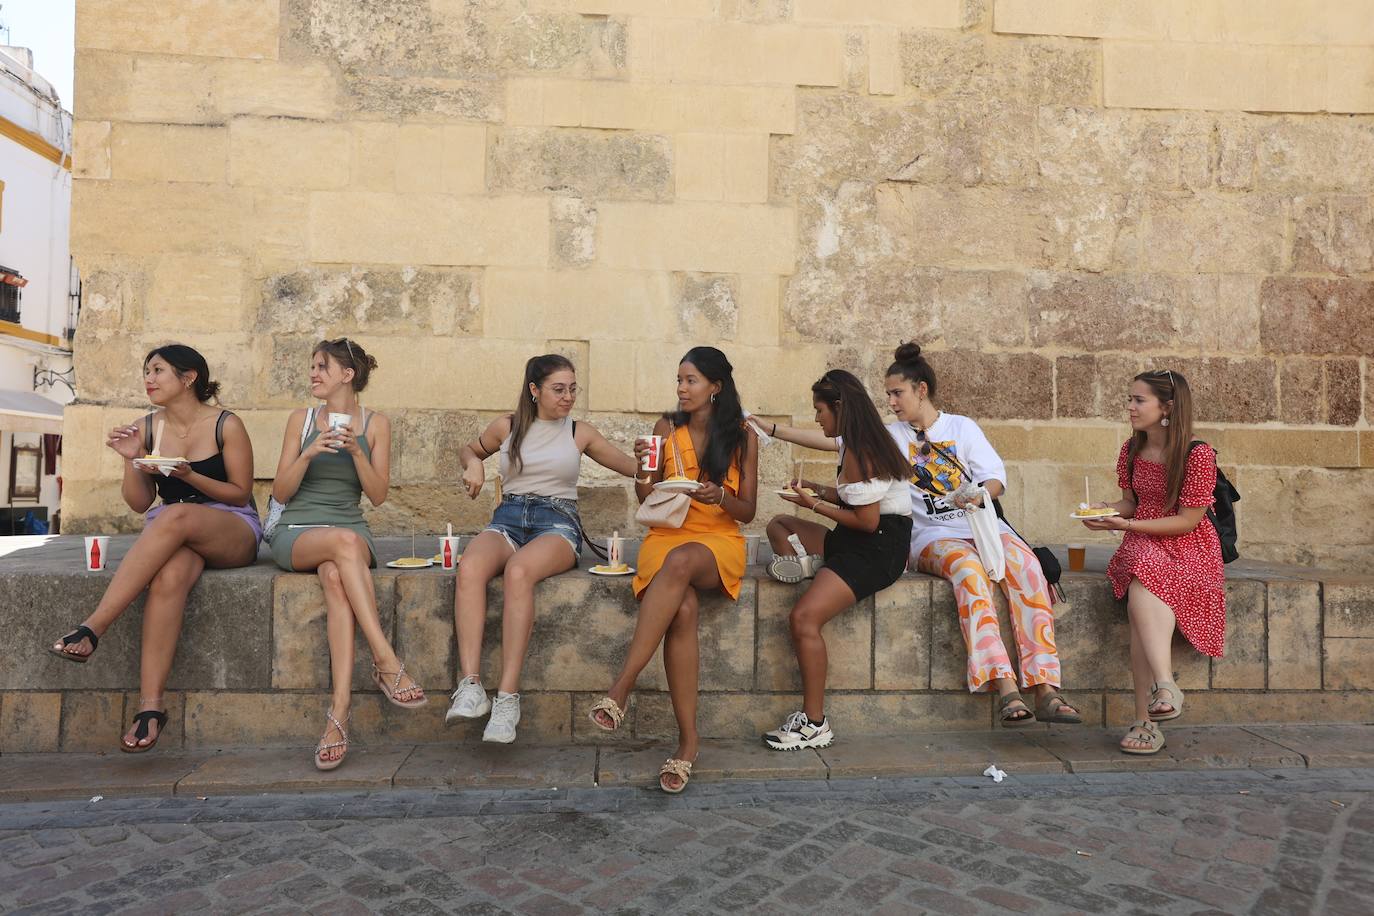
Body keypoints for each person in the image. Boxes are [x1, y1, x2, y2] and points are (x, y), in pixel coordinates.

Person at [769, 343, 1081, 728]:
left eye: (897, 393)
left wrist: (980, 494)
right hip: (932, 536)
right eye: (887, 395)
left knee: (1028, 569)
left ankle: (1046, 687)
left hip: (983, 526)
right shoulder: (890, 435)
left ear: (921, 389)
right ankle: (1005, 688)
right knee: (969, 573)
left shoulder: (962, 427)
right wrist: (770, 428)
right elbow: (834, 438)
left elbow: (994, 478)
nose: (892, 402)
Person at [48, 344, 261, 752]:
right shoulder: (145, 427)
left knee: (175, 515)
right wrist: (131, 459)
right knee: (168, 578)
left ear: (188, 378)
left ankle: (94, 627)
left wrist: (187, 474)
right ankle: (151, 708)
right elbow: (139, 503)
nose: (148, 379)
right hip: (172, 530)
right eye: (146, 371)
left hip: (230, 528)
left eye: (158, 370)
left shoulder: (226, 424)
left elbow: (239, 493)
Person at [587, 346, 758, 793]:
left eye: (691, 381)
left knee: (681, 564)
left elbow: (748, 510)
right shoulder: (665, 428)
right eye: (679, 380)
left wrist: (717, 495)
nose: (681, 389)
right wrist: (643, 473)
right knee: (681, 609)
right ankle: (688, 743)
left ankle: (622, 685)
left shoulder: (743, 435)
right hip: (665, 536)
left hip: (716, 541)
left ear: (715, 387)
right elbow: (648, 498)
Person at [446, 354, 639, 743]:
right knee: (470, 567)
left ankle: (507, 698)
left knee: (519, 571)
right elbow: (469, 450)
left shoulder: (578, 432)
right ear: (534, 391)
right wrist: (474, 465)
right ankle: (470, 687)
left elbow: (634, 468)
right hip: (508, 518)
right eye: (558, 389)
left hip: (557, 523)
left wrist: (662, 458)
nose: (567, 397)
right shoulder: (508, 426)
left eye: (572, 389)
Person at [267, 338, 424, 771]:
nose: (313, 373)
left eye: (322, 366)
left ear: (347, 375)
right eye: (313, 366)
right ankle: (386, 659)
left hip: (350, 529)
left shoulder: (376, 424)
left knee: (337, 577)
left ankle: (339, 713)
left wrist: (356, 452)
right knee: (346, 546)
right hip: (297, 530)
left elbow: (376, 496)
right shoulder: (300, 420)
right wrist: (309, 452)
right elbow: (280, 491)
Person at [761, 370, 913, 750]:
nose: (816, 419)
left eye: (819, 411)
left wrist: (814, 504)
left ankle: (814, 724)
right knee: (779, 525)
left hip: (878, 548)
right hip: (855, 538)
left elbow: (868, 519)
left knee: (803, 618)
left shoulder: (866, 450)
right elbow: (855, 498)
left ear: (839, 407)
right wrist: (815, 489)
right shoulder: (850, 442)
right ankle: (811, 565)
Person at [1081, 369, 1225, 755]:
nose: (1129, 407)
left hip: (1189, 545)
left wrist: (1127, 523)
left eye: (1138, 400)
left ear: (1168, 407)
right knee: (1143, 571)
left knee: (1141, 586)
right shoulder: (1131, 450)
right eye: (1129, 399)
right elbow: (1131, 500)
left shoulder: (1197, 454)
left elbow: (1189, 520)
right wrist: (1106, 511)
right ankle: (1164, 689)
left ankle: (1147, 716)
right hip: (1143, 538)